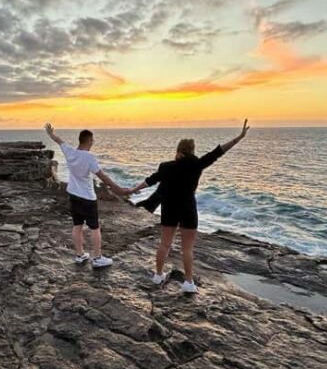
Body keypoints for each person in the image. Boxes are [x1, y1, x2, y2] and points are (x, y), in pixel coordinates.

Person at [126, 119, 250, 293]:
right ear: (192, 150)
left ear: (178, 150)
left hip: (169, 208)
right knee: (187, 248)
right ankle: (188, 282)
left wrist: (132, 190)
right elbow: (218, 152)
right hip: (188, 209)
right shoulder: (197, 164)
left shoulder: (166, 167)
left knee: (164, 244)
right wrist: (239, 137)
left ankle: (158, 275)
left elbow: (150, 180)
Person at [45, 123, 128, 268]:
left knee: (77, 226)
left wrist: (51, 134)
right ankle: (97, 258)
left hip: (73, 195)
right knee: (95, 228)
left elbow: (59, 141)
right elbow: (102, 176)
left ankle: (79, 254)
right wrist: (117, 189)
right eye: (92, 141)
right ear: (88, 141)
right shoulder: (89, 157)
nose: (93, 143)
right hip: (88, 198)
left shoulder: (70, 151)